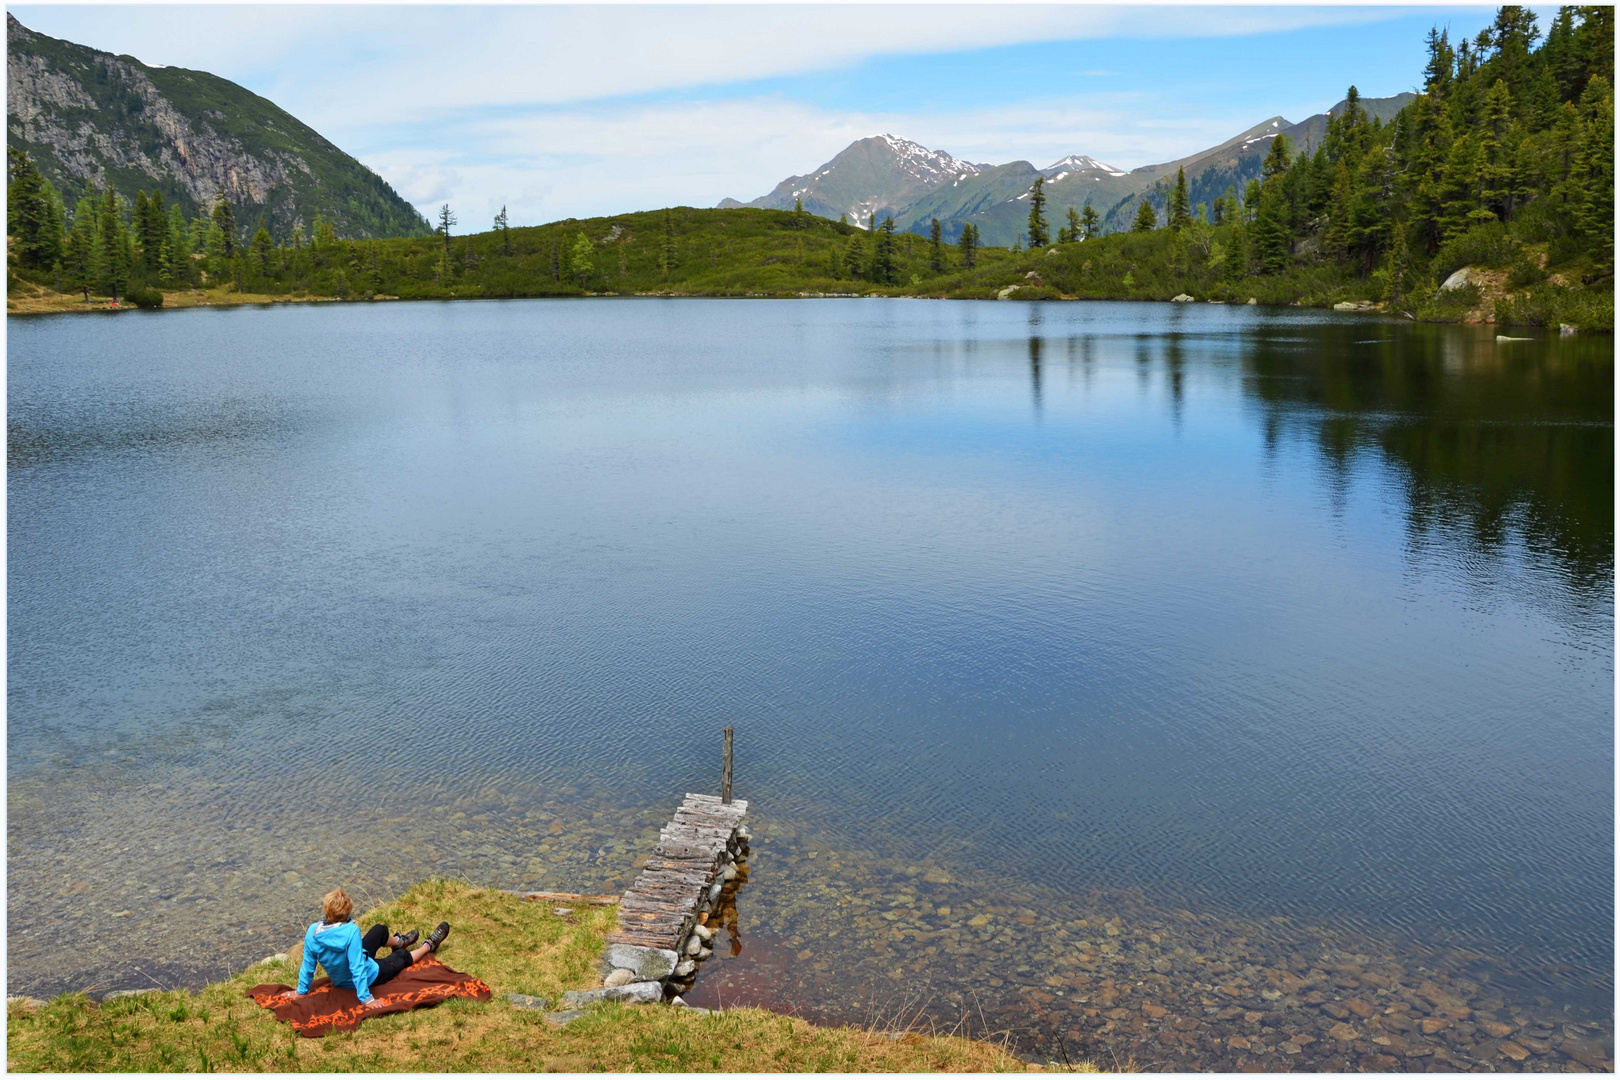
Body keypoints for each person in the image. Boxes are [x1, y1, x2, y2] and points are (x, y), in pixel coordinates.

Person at [284, 887, 451, 1009]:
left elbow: (307, 967)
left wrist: (300, 991)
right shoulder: (351, 931)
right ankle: (428, 946)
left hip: (347, 970)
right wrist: (367, 999)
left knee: (380, 930)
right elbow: (357, 967)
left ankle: (399, 941)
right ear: (347, 911)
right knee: (401, 957)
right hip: (371, 974)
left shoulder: (313, 931)